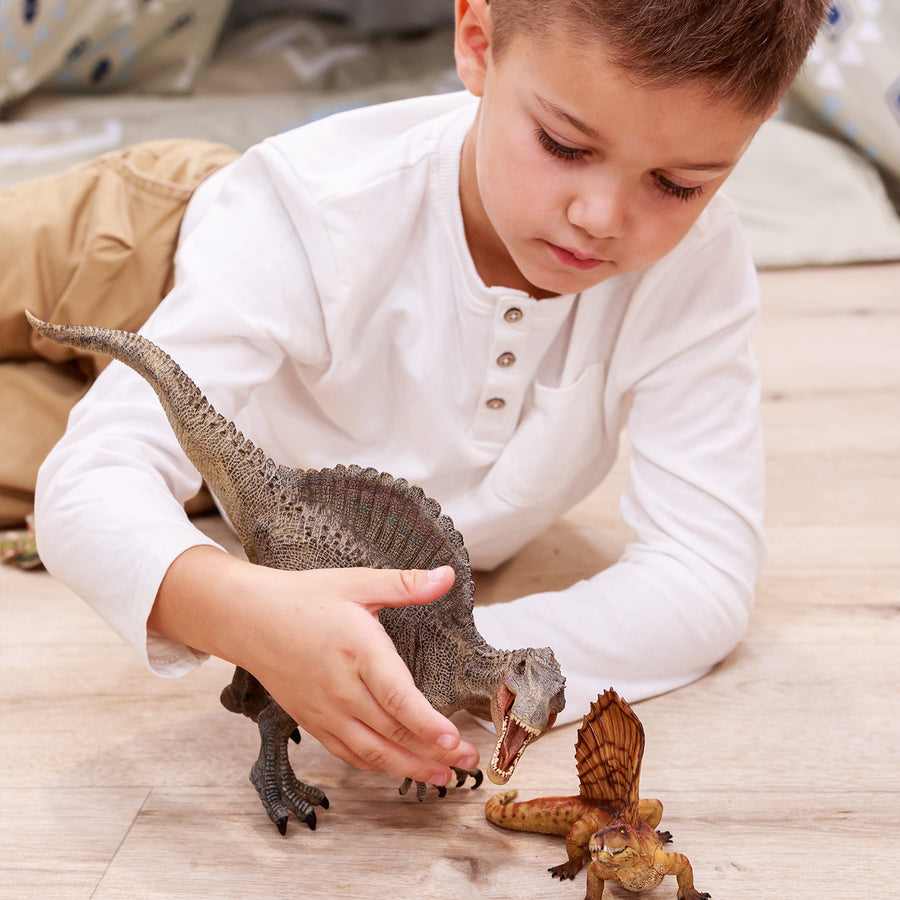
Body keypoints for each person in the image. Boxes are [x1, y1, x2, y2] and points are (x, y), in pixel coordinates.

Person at [32, 0, 828, 789]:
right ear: (477, 42)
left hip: (219, 461)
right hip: (130, 247)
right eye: (562, 145)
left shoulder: (695, 271)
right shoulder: (303, 212)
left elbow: (702, 577)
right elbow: (93, 478)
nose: (600, 218)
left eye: (678, 184)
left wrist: (400, 657)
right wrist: (247, 613)